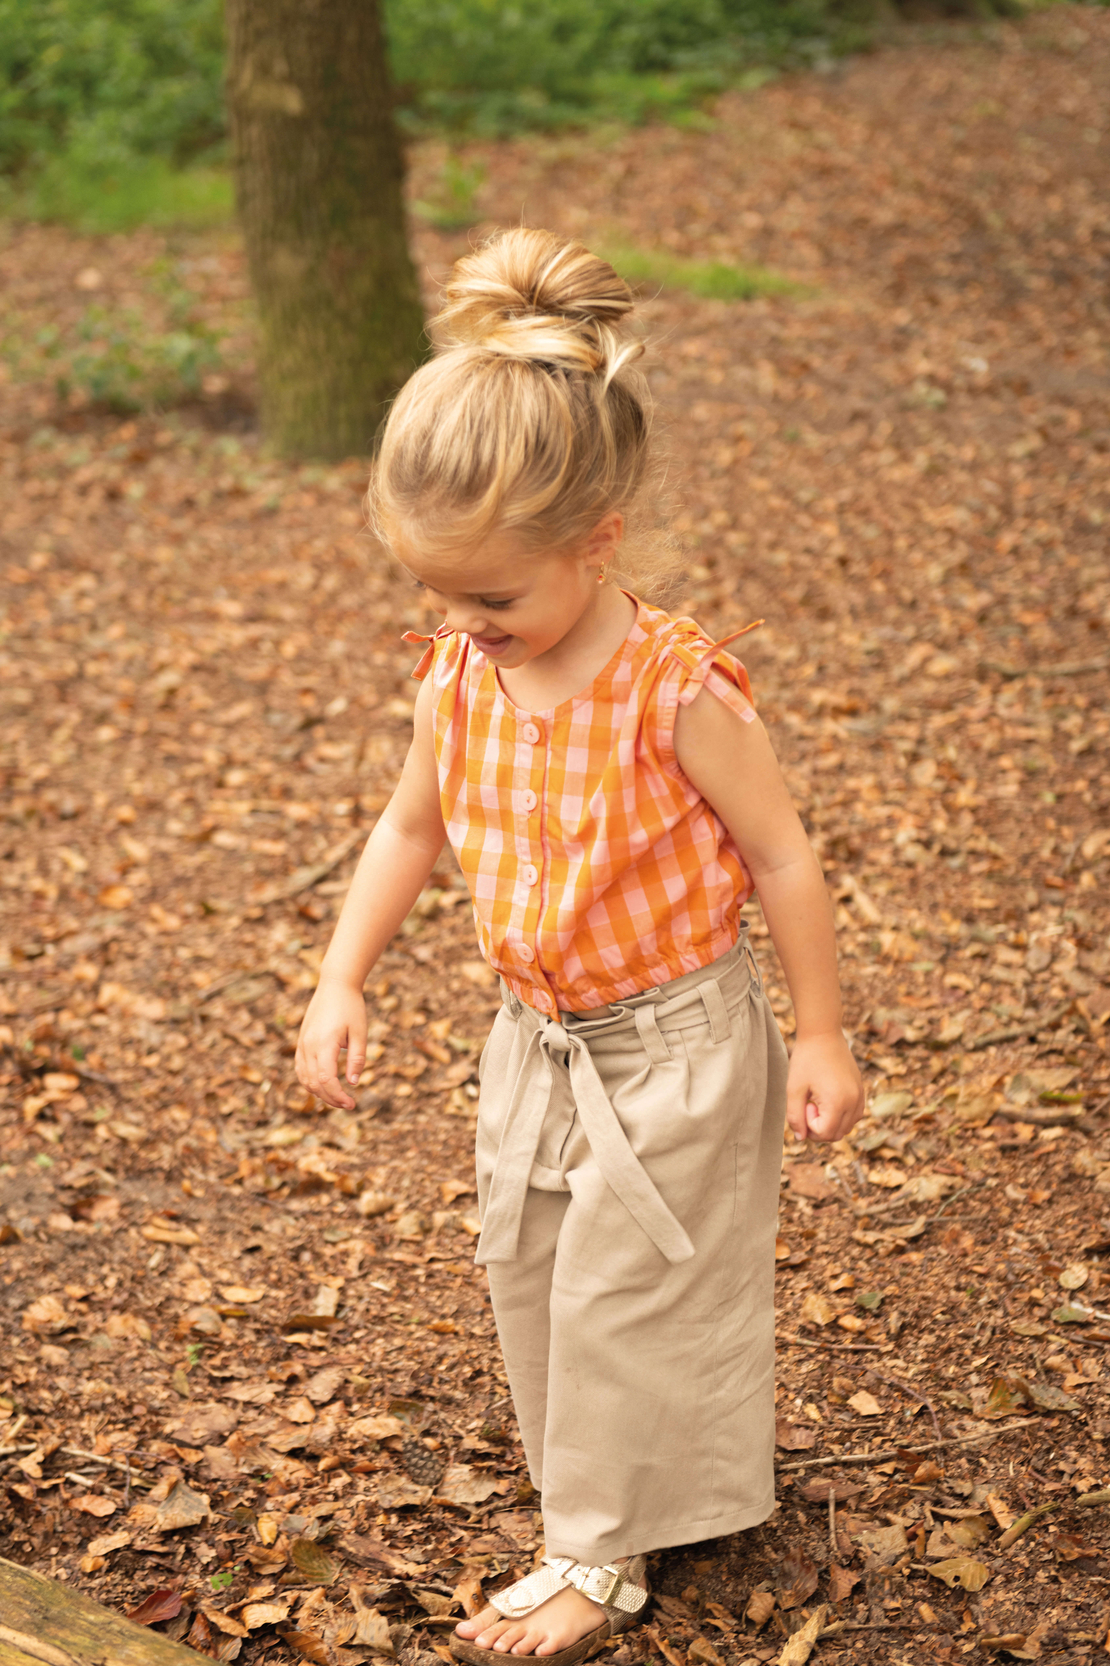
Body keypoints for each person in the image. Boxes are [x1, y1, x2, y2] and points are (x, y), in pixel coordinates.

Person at [296, 227, 864, 1666]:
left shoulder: (674, 689)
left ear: (595, 540)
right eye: (437, 595)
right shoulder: (458, 673)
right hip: (534, 1040)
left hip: (672, 1045)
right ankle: (635, 1493)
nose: (462, 626)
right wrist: (342, 972)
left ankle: (595, 1558)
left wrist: (819, 1028)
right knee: (535, 1269)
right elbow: (410, 831)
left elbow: (782, 856)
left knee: (634, 1286)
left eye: (491, 596)